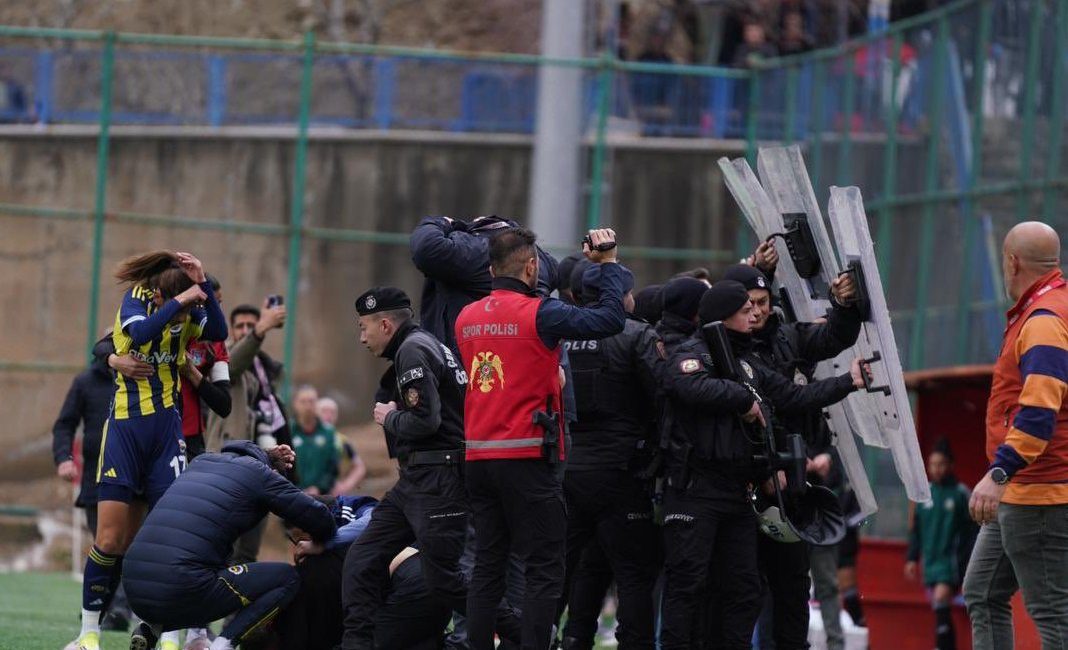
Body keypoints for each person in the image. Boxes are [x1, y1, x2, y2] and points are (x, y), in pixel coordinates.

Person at [660, 280, 868, 650]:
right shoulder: (691, 353)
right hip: (695, 492)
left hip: (737, 494)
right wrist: (742, 399)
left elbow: (794, 396)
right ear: (724, 319)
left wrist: (847, 382)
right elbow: (688, 385)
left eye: (757, 307)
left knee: (745, 589)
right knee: (689, 584)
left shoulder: (747, 362)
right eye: (745, 310)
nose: (756, 314)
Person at [456, 226, 629, 650]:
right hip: (528, 456)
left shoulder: (466, 317)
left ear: (490, 268)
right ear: (532, 267)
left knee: (487, 566)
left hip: (478, 458)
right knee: (544, 566)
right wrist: (608, 266)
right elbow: (610, 319)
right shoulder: (540, 313)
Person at [341, 287, 519, 649]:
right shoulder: (423, 344)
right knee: (362, 559)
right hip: (417, 482)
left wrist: (390, 417)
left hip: (440, 481)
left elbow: (426, 422)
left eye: (364, 327)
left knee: (444, 581)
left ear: (386, 324)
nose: (361, 338)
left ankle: (530, 634)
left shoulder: (414, 350)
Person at [66, 250, 227, 650]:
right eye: (173, 310)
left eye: (182, 314)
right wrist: (180, 303)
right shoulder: (137, 301)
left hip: (166, 435)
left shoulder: (189, 310)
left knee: (170, 539)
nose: (179, 323)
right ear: (157, 296)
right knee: (109, 539)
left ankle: (169, 634)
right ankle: (89, 632)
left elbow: (219, 333)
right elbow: (134, 336)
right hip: (124, 432)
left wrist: (202, 283)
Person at [722, 261, 860, 650]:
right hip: (745, 487)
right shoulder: (723, 353)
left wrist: (843, 303)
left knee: (793, 587)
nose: (758, 311)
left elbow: (835, 336)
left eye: (763, 302)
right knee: (744, 589)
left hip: (792, 484)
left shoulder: (787, 337)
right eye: (749, 303)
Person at [121, 440, 335, 650]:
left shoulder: (201, 463)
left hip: (133, 585)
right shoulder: (260, 475)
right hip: (181, 585)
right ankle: (224, 644)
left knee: (206, 559)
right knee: (287, 578)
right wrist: (322, 540)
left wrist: (266, 455)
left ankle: (151, 628)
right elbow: (320, 518)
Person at [964, 221, 1068, 649]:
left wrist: (999, 473)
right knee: (982, 592)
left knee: (1053, 616)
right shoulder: (1055, 306)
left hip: (1038, 491)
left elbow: (1039, 412)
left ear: (1012, 262)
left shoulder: (1043, 320)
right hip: (1026, 490)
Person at [557, 262, 663, 650]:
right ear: (617, 296)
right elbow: (662, 398)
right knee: (633, 577)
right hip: (622, 474)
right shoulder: (636, 335)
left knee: (560, 573)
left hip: (567, 473)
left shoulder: (558, 336)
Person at [277, 496, 455, 650]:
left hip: (416, 582)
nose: (301, 546)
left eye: (302, 539)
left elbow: (371, 519)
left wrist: (325, 543)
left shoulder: (349, 513)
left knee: (363, 641)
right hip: (431, 582)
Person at [53, 336, 138, 632]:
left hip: (136, 480)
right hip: (95, 482)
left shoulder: (144, 377)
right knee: (106, 545)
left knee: (133, 548)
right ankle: (100, 606)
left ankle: (119, 609)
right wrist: (63, 458)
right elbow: (65, 423)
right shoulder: (85, 382)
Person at [409, 214, 559, 358]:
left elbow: (426, 248)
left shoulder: (477, 251)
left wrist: (441, 223)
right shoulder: (539, 257)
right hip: (530, 364)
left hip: (477, 366)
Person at [905, 440, 976, 650]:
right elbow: (916, 531)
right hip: (931, 562)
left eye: (941, 464)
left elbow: (973, 531)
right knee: (939, 608)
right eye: (932, 464)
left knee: (941, 600)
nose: (936, 469)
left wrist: (967, 564)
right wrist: (911, 558)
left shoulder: (962, 494)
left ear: (951, 465)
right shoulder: (923, 495)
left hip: (952, 563)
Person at [180, 275, 232, 460]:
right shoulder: (163, 324)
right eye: (209, 304)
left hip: (191, 437)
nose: (216, 311)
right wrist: (112, 359)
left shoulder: (216, 343)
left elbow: (224, 404)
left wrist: (192, 373)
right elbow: (105, 346)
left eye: (218, 304)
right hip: (156, 429)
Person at [290, 385, 342, 495]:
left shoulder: (329, 432)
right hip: (293, 496)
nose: (308, 406)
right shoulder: (287, 431)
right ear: (295, 404)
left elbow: (333, 467)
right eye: (303, 402)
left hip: (322, 498)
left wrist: (319, 488)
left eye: (311, 401)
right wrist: (295, 489)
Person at [317, 396, 369, 495]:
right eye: (324, 411)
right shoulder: (304, 438)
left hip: (332, 495)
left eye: (332, 412)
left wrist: (346, 485)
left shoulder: (342, 440)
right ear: (315, 413)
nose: (328, 415)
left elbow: (359, 467)